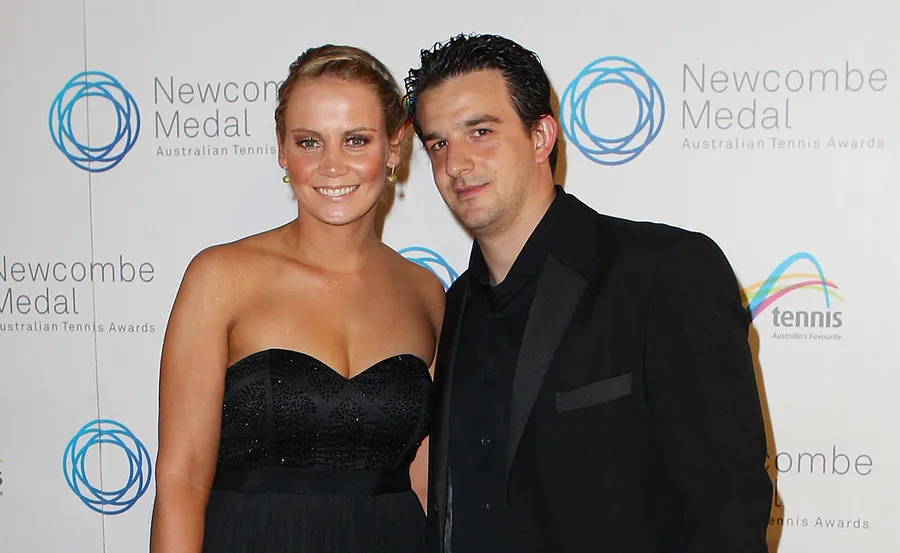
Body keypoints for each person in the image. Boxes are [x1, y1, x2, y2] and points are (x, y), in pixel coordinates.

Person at [404, 33, 773, 553]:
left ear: (541, 137)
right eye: (438, 144)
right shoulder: (454, 305)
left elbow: (727, 506)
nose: (456, 164)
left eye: (480, 132)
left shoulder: (661, 272)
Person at [149, 44, 444, 553]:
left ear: (394, 148)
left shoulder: (426, 291)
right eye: (309, 142)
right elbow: (182, 479)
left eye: (356, 140)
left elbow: (424, 483)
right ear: (283, 152)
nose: (332, 166)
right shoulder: (221, 278)